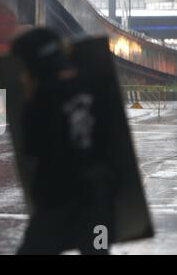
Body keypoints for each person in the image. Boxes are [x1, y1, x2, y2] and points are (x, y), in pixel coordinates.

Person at [10, 28, 118, 255]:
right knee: (98, 251)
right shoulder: (98, 86)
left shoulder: (41, 98)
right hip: (98, 200)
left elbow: (32, 148)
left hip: (55, 201)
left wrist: (29, 97)